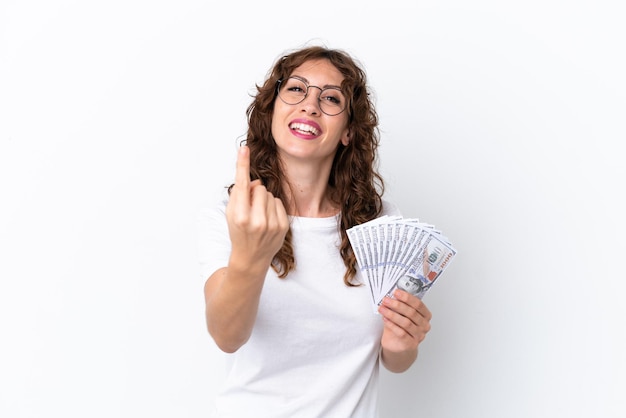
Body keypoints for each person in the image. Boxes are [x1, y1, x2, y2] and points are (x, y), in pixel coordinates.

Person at [198, 45, 433, 418]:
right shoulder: (234, 216)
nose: (310, 105)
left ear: (347, 133)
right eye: (296, 89)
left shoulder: (382, 225)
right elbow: (227, 336)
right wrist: (251, 255)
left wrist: (403, 340)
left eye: (331, 98)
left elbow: (396, 360)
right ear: (271, 109)